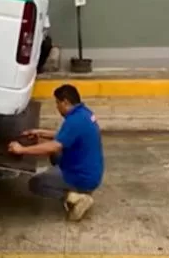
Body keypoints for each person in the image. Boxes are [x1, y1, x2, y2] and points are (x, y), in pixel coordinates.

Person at [8, 84, 104, 221]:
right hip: (91, 171)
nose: (57, 107)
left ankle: (75, 197)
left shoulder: (74, 121)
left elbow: (54, 146)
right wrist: (39, 132)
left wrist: (22, 149)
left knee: (36, 183)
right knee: (54, 153)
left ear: (65, 102)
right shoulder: (84, 113)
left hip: (81, 176)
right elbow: (66, 135)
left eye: (57, 103)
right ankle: (70, 185)